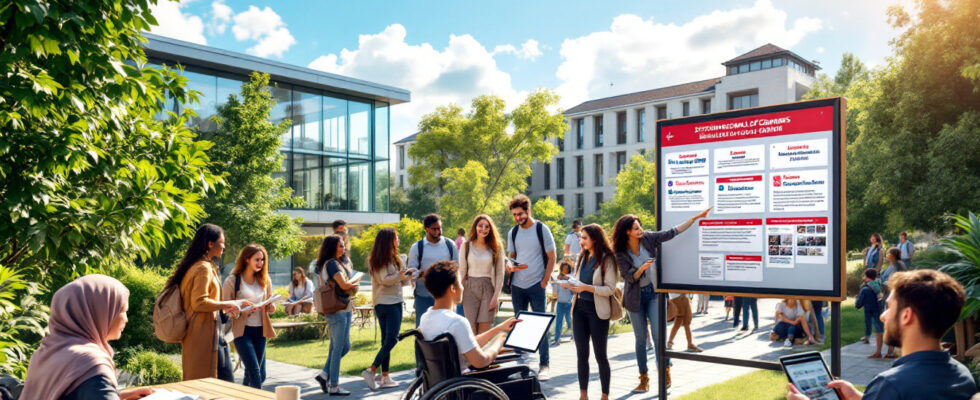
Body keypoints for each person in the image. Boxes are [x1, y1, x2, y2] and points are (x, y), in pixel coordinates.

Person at [787, 269, 977, 400]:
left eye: (888, 307)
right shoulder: (963, 376)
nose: (883, 316)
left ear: (906, 315)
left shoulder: (891, 385)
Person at [612, 208, 709, 392]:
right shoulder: (621, 252)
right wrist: (642, 268)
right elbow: (628, 276)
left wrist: (694, 219)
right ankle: (644, 379)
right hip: (635, 298)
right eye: (635, 227)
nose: (640, 229)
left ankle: (665, 372)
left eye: (639, 225)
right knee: (641, 339)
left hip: (654, 294)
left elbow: (672, 232)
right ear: (627, 232)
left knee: (659, 337)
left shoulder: (648, 238)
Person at [21, 275, 156, 400]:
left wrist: (118, 395)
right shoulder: (90, 364)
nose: (126, 319)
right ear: (99, 312)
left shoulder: (46, 353)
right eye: (122, 311)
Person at [165, 224, 244, 381]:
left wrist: (226, 309)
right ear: (210, 243)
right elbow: (198, 303)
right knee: (209, 386)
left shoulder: (197, 266)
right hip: (203, 336)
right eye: (222, 242)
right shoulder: (202, 268)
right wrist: (228, 303)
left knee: (221, 383)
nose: (224, 246)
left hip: (210, 334)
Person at [417, 260, 521, 371]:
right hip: (464, 383)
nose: (462, 287)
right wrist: (500, 340)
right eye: (460, 283)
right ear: (453, 288)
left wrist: (499, 329)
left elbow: (466, 342)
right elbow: (480, 361)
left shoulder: (426, 318)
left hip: (440, 382)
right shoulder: (457, 322)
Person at [560, 224, 619, 400]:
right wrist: (570, 284)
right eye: (581, 238)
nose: (581, 241)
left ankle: (604, 395)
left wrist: (586, 288)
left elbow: (610, 289)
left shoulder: (607, 259)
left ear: (595, 239)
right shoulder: (582, 257)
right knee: (581, 355)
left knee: (601, 355)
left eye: (584, 238)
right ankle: (583, 395)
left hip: (597, 312)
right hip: (579, 310)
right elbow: (578, 282)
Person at [505, 194, 556, 380]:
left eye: (520, 214)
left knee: (540, 324)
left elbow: (552, 257)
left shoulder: (541, 229)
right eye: (514, 215)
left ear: (528, 210)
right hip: (518, 285)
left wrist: (544, 281)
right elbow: (512, 256)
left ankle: (545, 364)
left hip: (536, 284)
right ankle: (522, 364)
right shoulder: (513, 232)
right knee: (519, 325)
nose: (517, 218)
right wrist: (509, 266)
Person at [313, 235, 363, 396]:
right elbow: (344, 285)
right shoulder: (333, 264)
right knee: (339, 348)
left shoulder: (338, 262)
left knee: (340, 346)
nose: (344, 248)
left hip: (344, 307)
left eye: (344, 245)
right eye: (341, 246)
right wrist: (356, 280)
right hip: (337, 311)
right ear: (332, 247)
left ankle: (324, 375)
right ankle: (333, 386)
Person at [221, 244, 277, 389]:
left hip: (260, 330)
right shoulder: (232, 281)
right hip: (242, 331)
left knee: (256, 374)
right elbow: (225, 310)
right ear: (247, 259)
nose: (260, 263)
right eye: (257, 260)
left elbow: (270, 302)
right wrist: (241, 311)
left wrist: (271, 307)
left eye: (262, 260)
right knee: (255, 373)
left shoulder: (265, 279)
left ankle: (243, 396)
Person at [363, 228, 411, 390]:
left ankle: (385, 377)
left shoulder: (395, 258)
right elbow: (385, 280)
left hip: (389, 301)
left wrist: (408, 277)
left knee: (386, 341)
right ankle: (372, 369)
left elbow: (399, 282)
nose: (398, 241)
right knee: (392, 339)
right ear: (389, 241)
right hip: (388, 303)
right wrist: (400, 276)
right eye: (396, 238)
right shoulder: (379, 260)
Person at [408, 213, 459, 327]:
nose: (437, 232)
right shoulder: (417, 247)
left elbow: (456, 267)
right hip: (423, 296)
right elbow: (411, 272)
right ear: (426, 229)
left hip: (446, 296)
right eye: (434, 229)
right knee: (422, 330)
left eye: (439, 228)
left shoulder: (450, 245)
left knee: (447, 329)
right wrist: (426, 273)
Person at [459, 214, 506, 334]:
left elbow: (500, 273)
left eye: (487, 226)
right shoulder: (466, 246)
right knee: (471, 329)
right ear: (475, 227)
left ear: (491, 229)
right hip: (469, 288)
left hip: (488, 288)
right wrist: (458, 291)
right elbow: (462, 271)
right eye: (481, 226)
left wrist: (496, 297)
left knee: (485, 330)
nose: (484, 229)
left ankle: (483, 352)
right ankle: (473, 353)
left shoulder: (496, 247)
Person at [856, 268, 888, 358]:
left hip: (870, 310)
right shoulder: (880, 285)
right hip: (880, 310)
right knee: (880, 330)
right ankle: (884, 351)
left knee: (877, 331)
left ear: (866, 276)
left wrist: (858, 305)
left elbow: (859, 302)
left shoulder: (865, 288)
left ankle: (878, 352)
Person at [550, 260, 574, 346]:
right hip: (560, 303)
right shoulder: (557, 279)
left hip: (568, 303)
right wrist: (556, 285)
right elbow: (555, 292)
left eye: (566, 269)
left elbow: (573, 291)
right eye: (563, 269)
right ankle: (557, 340)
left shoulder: (571, 279)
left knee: (569, 320)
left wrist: (567, 285)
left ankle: (573, 336)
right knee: (558, 322)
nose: (565, 270)